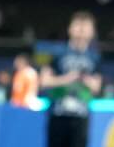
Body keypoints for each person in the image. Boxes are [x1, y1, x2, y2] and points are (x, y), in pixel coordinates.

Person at [40, 12, 104, 147]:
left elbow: (97, 87)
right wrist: (67, 78)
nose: (81, 30)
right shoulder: (57, 53)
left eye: (85, 26)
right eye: (78, 25)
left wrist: (83, 79)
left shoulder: (95, 57)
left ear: (92, 32)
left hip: (81, 117)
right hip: (58, 115)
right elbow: (44, 81)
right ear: (70, 28)